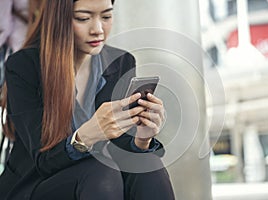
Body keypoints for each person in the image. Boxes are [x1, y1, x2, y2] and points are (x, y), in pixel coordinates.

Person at [0, 0, 175, 199]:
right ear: (59, 19)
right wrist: (84, 137)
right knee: (101, 173)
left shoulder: (120, 62)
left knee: (148, 164)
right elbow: (43, 160)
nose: (98, 29)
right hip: (37, 183)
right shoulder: (23, 66)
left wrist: (141, 140)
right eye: (83, 18)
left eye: (107, 16)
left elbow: (120, 148)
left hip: (98, 179)